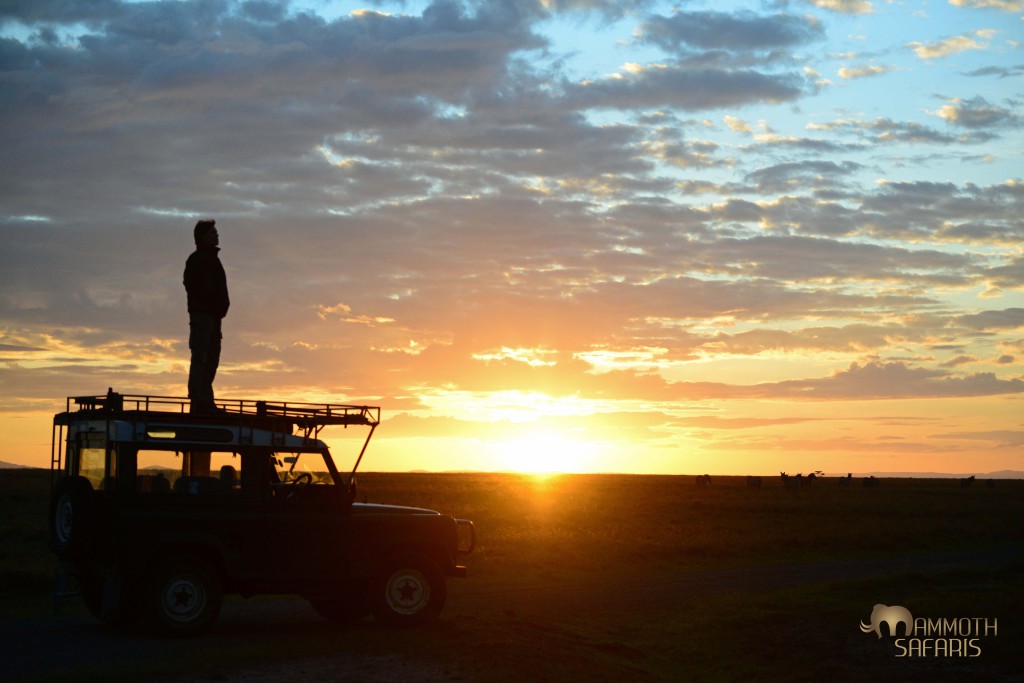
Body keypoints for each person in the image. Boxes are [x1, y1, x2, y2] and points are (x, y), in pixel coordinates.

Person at [183, 219, 229, 413]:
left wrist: (221, 307)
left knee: (211, 359)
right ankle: (199, 402)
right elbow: (194, 287)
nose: (216, 236)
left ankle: (206, 401)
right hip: (202, 317)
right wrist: (211, 304)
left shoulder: (213, 259)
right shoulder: (196, 260)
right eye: (213, 233)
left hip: (213, 317)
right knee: (201, 358)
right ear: (202, 237)